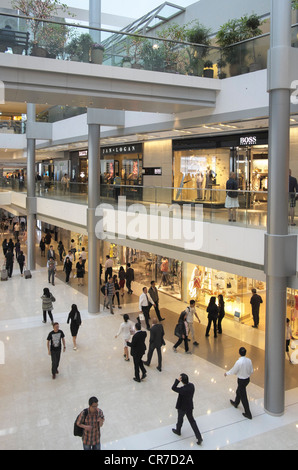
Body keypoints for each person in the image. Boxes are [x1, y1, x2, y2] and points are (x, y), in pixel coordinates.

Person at [171, 373, 203, 446]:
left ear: (182, 380)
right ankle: (199, 437)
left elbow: (173, 388)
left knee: (180, 419)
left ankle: (178, 430)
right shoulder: (192, 386)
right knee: (192, 421)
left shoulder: (183, 389)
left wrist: (177, 381)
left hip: (182, 407)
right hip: (189, 406)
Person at [224, 347, 254, 420]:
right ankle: (236, 403)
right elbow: (251, 371)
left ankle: (248, 413)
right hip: (247, 380)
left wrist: (227, 373)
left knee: (243, 397)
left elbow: (234, 370)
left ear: (239, 353)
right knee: (239, 391)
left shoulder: (239, 362)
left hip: (241, 380)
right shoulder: (249, 360)